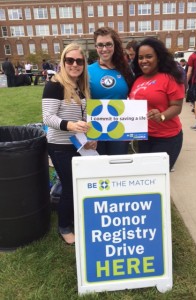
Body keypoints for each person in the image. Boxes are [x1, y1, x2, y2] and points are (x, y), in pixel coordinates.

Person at [42, 43, 97, 245]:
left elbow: (85, 118)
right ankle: (64, 226)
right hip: (59, 146)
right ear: (63, 62)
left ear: (84, 64)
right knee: (69, 186)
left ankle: (73, 218)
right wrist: (71, 125)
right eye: (70, 60)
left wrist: (90, 139)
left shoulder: (81, 87)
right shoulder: (55, 85)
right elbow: (48, 118)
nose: (74, 64)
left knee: (78, 185)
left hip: (78, 145)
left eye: (79, 61)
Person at [129, 37, 185, 171]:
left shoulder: (169, 78)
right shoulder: (138, 80)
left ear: (158, 57)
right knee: (146, 177)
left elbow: (177, 107)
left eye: (149, 56)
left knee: (158, 178)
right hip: (144, 137)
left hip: (166, 138)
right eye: (140, 57)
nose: (144, 61)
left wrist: (162, 116)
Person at [88, 27, 134, 155]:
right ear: (95, 46)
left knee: (117, 167)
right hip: (96, 130)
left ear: (115, 45)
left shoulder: (126, 70)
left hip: (120, 129)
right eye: (100, 45)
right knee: (99, 169)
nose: (104, 49)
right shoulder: (87, 71)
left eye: (108, 44)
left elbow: (134, 97)